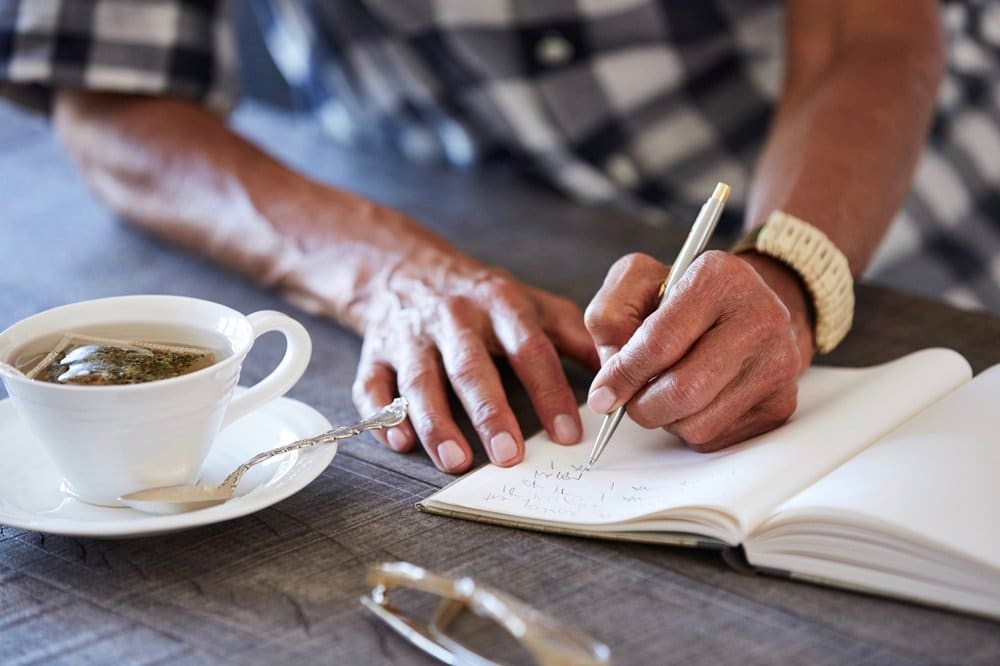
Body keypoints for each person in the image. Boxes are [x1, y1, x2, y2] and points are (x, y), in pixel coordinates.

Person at [0, 1, 976, 473]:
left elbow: (868, 33)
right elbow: (111, 100)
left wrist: (790, 268)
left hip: (888, 217)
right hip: (451, 209)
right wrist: (389, 274)